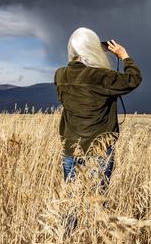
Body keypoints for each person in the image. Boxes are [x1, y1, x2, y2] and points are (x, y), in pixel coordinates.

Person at [53, 27, 142, 191]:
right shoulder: (102, 76)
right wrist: (124, 56)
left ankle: (69, 218)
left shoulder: (60, 75)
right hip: (100, 147)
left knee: (69, 201)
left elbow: (63, 99)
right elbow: (133, 79)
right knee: (96, 201)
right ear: (92, 49)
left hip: (71, 146)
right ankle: (95, 218)